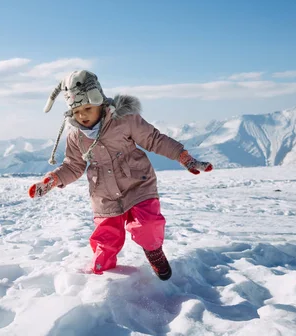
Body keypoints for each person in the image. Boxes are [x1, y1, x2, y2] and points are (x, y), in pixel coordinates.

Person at [28, 70, 213, 280]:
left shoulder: (124, 120)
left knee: (149, 225)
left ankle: (153, 251)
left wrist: (183, 156)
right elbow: (73, 166)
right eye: (77, 111)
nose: (82, 115)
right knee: (105, 240)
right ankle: (101, 278)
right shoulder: (75, 136)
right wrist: (52, 181)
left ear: (100, 102)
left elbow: (155, 140)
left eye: (88, 108)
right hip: (104, 194)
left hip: (138, 184)